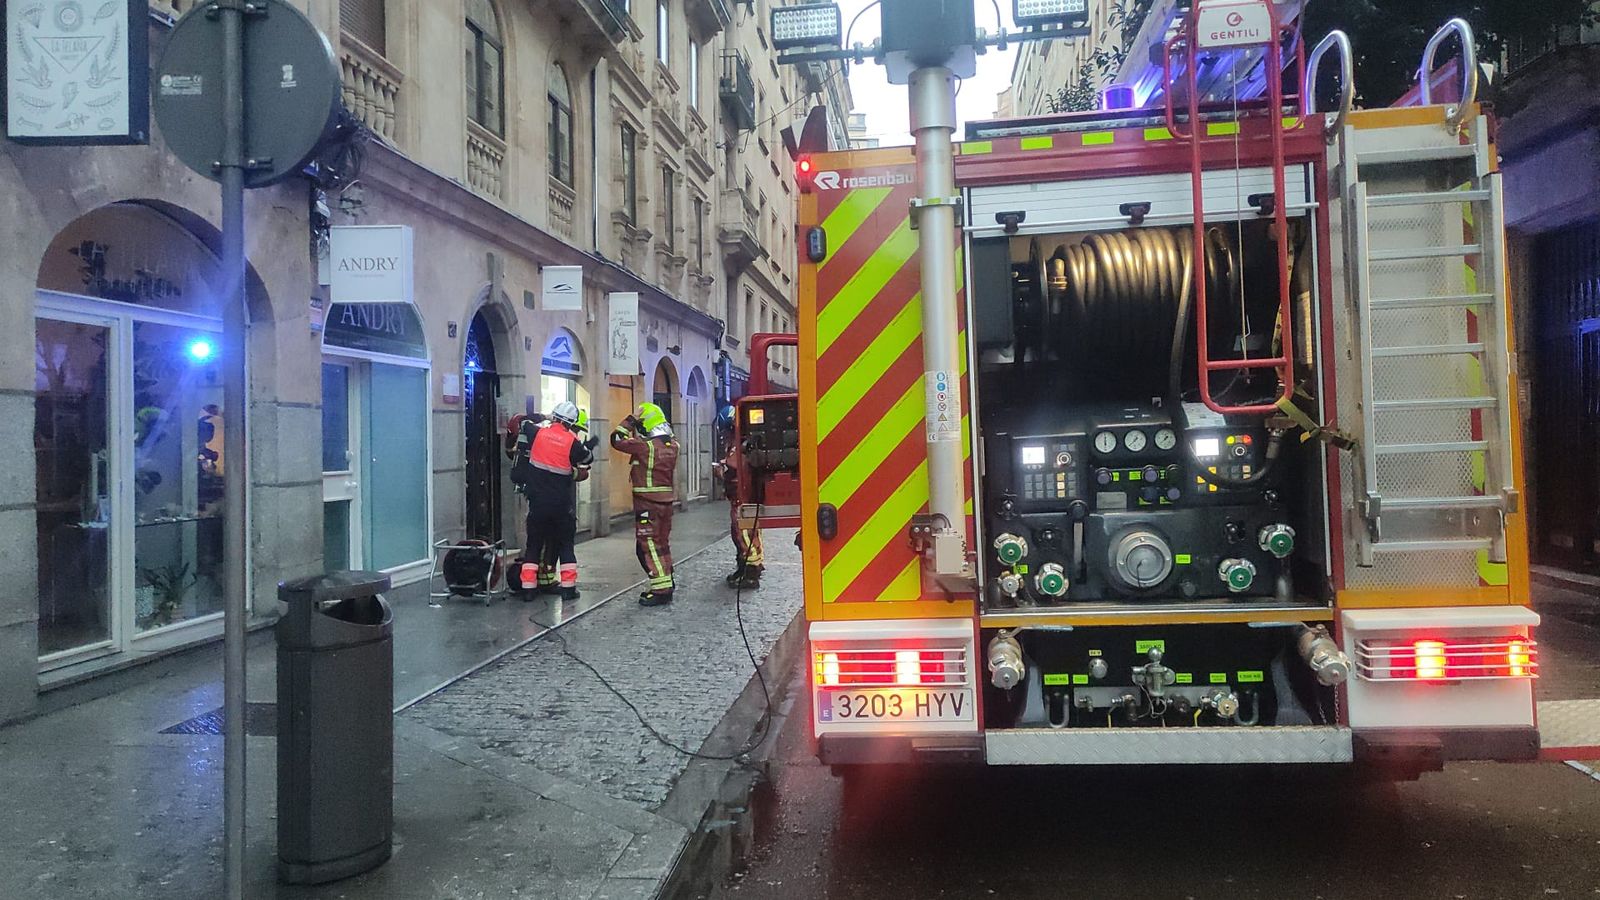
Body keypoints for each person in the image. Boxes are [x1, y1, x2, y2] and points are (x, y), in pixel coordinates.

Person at [510, 401, 596, 601]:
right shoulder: (571, 441)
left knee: (533, 545)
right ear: (572, 423)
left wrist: (544, 417)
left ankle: (529, 589)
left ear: (555, 417)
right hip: (560, 504)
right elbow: (587, 459)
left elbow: (522, 422)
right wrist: (587, 447)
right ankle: (568, 588)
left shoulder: (537, 433)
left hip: (537, 503)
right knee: (565, 545)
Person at [611, 402, 679, 606]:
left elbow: (616, 439)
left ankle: (661, 589)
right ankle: (667, 579)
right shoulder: (673, 446)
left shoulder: (645, 447)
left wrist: (631, 419)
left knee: (649, 545)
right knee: (662, 544)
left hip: (647, 504)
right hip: (665, 503)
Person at [715, 405, 763, 589]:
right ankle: (746, 567)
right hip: (742, 496)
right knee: (746, 532)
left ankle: (751, 573)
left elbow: (734, 468)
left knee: (743, 533)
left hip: (740, 497)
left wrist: (721, 471)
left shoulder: (738, 445)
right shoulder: (743, 441)